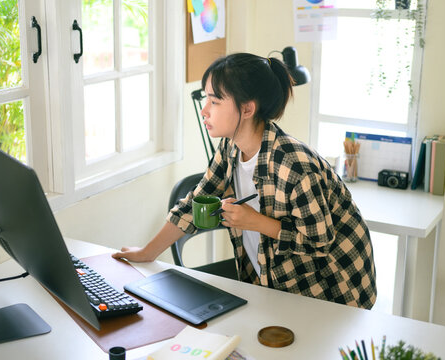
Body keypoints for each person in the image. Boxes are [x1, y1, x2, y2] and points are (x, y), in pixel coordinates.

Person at [112, 53, 377, 309]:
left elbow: (319, 243)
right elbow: (194, 204)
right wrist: (147, 252)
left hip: (335, 293)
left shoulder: (295, 165)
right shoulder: (230, 148)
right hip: (278, 289)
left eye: (214, 101)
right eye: (206, 99)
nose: (204, 110)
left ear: (248, 108)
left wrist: (255, 222)